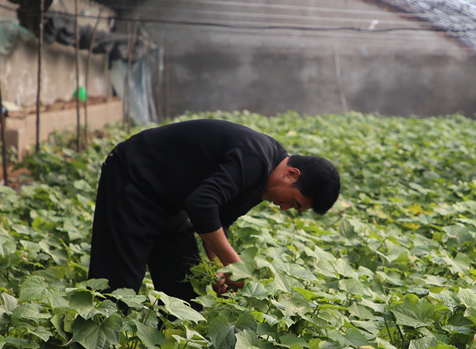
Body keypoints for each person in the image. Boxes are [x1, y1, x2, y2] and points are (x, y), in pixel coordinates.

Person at [87, 118, 340, 302]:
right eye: (293, 202)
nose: (284, 207)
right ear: (291, 174)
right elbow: (202, 204)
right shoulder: (256, 159)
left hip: (173, 201)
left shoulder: (265, 183)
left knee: (185, 293)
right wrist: (236, 265)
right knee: (116, 287)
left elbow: (218, 218)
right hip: (134, 177)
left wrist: (221, 268)